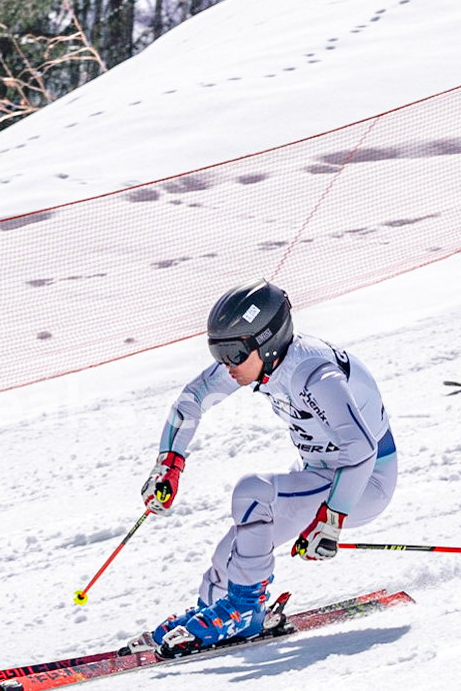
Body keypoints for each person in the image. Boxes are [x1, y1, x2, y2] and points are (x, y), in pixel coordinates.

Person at [138, 279, 397, 653]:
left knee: (252, 492)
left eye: (234, 354)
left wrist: (332, 518)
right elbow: (192, 399)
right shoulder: (261, 363)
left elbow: (360, 450)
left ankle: (244, 612)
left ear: (268, 341)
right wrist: (170, 463)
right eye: (219, 354)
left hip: (363, 481)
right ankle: (211, 613)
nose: (227, 367)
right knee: (229, 555)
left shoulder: (314, 374)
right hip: (321, 473)